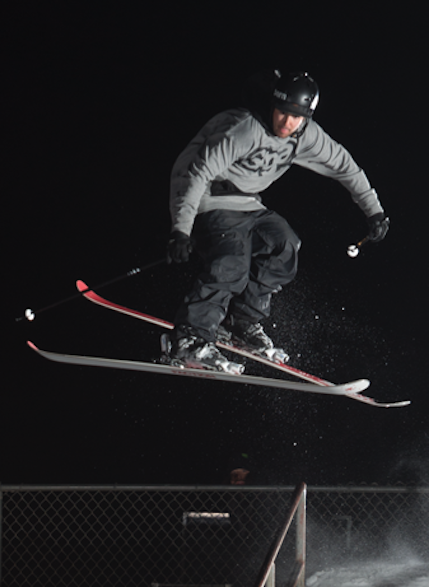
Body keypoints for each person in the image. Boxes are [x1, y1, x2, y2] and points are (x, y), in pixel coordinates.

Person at [164, 70, 389, 374]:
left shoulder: (306, 135)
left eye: (295, 118)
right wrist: (181, 229)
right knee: (232, 262)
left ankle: (242, 322)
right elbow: (196, 173)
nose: (286, 124)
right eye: (282, 113)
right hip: (208, 197)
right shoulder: (243, 128)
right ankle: (190, 338)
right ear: (272, 105)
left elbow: (345, 167)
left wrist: (373, 212)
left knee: (284, 243)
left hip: (247, 203)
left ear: (306, 117)